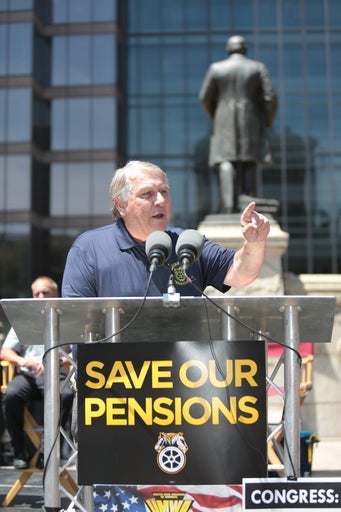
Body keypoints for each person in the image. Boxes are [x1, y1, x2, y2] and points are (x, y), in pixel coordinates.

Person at [62, 160, 270, 298]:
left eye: (164, 191)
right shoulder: (89, 249)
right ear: (121, 205)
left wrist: (255, 243)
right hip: (114, 364)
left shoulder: (187, 243)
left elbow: (240, 273)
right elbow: (75, 320)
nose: (160, 200)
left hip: (183, 364)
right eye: (147, 194)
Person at [1, 276, 74, 470]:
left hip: (57, 374)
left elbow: (78, 351)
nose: (41, 296)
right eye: (37, 293)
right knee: (11, 395)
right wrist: (22, 360)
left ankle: (47, 450)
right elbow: (5, 351)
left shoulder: (69, 318)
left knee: (66, 395)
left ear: (56, 294)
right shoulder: (25, 320)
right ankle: (19, 450)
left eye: (45, 292)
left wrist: (58, 361)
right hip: (30, 375)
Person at [199, 35, 278, 213]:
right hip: (251, 118)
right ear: (245, 49)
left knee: (225, 160)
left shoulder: (217, 68)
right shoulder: (257, 68)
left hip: (223, 119)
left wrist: (216, 115)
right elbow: (270, 97)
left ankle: (228, 206)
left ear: (229, 49)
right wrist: (266, 120)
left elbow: (204, 98)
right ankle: (249, 207)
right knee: (250, 160)